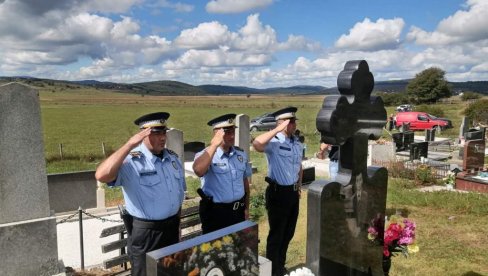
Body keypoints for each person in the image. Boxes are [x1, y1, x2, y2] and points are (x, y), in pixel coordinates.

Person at [95, 112, 186, 276]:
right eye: (155, 133)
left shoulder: (172, 159)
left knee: (172, 272)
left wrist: (177, 227)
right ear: (142, 135)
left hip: (171, 228)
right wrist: (129, 145)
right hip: (147, 235)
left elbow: (177, 197)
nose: (162, 138)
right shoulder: (131, 161)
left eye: (163, 132)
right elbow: (101, 175)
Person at [252, 106, 303, 276]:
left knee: (288, 233)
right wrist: (277, 129)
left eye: (294, 121)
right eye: (289, 122)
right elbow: (257, 144)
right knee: (277, 235)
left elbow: (299, 165)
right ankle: (273, 271)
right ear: (281, 123)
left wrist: (299, 186)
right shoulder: (274, 143)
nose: (293, 124)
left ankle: (280, 266)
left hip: (293, 193)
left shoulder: (296, 142)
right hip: (278, 193)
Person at [192, 113, 252, 234]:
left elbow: (245, 183)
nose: (232, 136)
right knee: (217, 251)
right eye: (227, 133)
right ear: (216, 134)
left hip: (238, 211)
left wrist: (246, 208)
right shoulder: (206, 155)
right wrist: (214, 144)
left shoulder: (240, 154)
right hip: (216, 214)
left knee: (237, 249)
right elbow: (198, 170)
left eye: (233, 132)